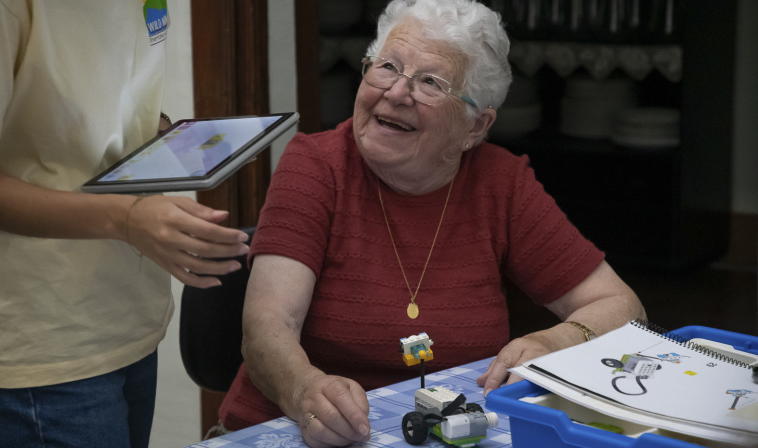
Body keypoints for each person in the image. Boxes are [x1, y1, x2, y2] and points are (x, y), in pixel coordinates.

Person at [219, 0, 646, 446]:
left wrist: (555, 342)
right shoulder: (316, 165)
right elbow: (268, 327)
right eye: (387, 66)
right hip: (307, 432)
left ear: (475, 127)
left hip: (449, 432)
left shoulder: (500, 183)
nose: (397, 92)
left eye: (429, 82)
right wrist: (304, 388)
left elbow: (622, 305)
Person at [0, 1, 249, 447]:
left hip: (125, 312)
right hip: (42, 338)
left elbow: (95, 107)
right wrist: (126, 218)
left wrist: (167, 137)